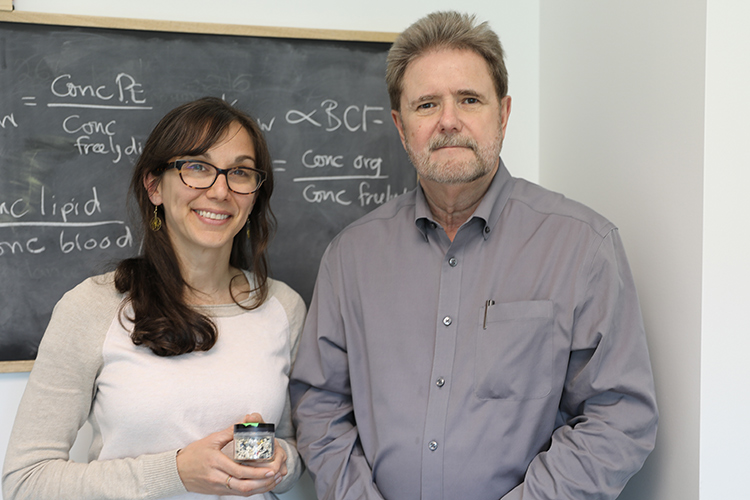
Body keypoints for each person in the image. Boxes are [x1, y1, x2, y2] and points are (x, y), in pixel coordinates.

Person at [290, 11, 658, 500]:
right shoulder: (350, 258)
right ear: (401, 128)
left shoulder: (582, 246)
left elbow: (619, 417)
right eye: (426, 104)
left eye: (469, 99)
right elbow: (319, 404)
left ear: (502, 114)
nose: (448, 120)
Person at [2, 97, 306, 500]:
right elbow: (26, 481)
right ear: (154, 186)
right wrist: (176, 472)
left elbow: (296, 450)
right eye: (196, 167)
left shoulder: (283, 307)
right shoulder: (92, 307)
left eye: (240, 172)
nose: (220, 191)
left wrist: (279, 461)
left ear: (254, 196)